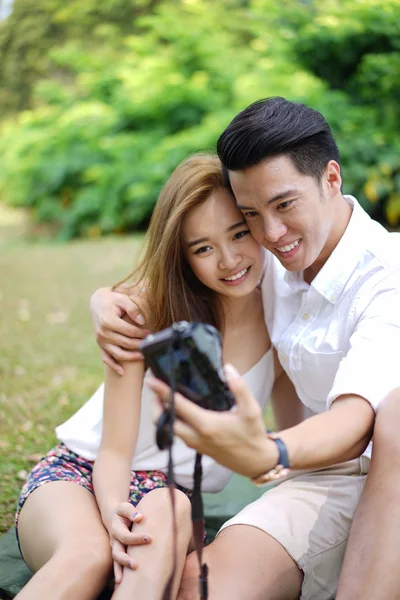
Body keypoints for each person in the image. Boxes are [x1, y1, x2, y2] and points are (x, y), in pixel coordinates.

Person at [91, 97, 400, 600]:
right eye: (252, 214)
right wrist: (104, 302)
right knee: (197, 588)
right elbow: (182, 272)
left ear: (331, 178)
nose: (271, 233)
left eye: (284, 205)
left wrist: (268, 449)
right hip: (330, 479)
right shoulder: (268, 256)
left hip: (388, 466)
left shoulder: (389, 274)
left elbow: (354, 420)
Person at [15, 153, 299, 600]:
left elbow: (292, 440)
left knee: (169, 508)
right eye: (203, 248)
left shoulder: (282, 321)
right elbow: (112, 451)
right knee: (88, 555)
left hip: (173, 497)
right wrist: (112, 513)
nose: (228, 260)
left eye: (239, 233)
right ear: (183, 256)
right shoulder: (145, 315)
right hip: (79, 475)